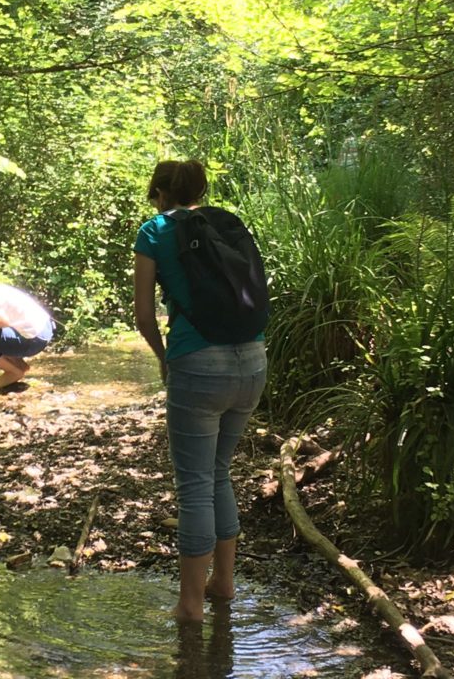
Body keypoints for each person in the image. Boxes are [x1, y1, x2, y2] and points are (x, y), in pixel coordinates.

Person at [133, 159, 267, 622]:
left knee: (193, 487)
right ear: (200, 190)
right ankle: (223, 584)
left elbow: (145, 317)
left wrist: (163, 357)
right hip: (252, 362)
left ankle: (189, 606)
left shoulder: (153, 231)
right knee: (219, 473)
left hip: (199, 367)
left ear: (159, 194)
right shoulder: (226, 223)